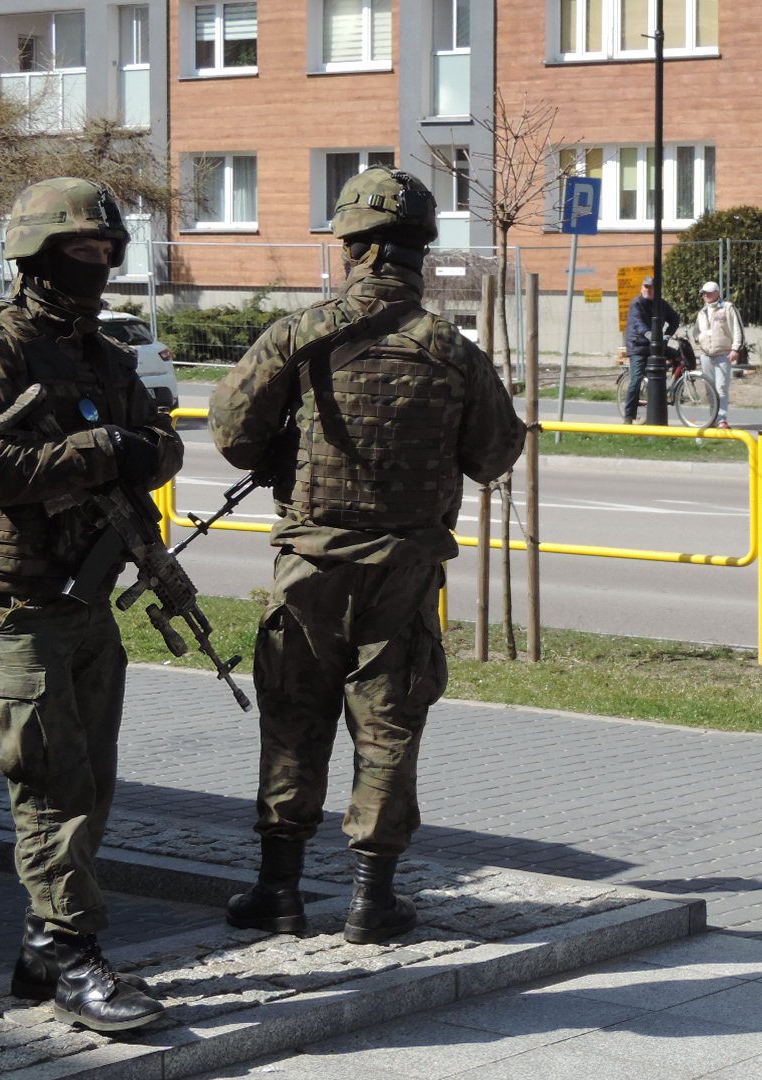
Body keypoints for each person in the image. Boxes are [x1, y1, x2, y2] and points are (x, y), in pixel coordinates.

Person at [209, 166, 526, 946]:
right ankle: (370, 901)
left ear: (349, 245)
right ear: (422, 248)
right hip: (403, 572)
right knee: (387, 726)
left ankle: (278, 893)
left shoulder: (298, 334)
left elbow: (232, 438)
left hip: (310, 566)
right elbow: (494, 456)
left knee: (292, 718)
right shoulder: (452, 349)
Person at [0, 177, 180, 1033]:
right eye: (81, 250)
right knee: (51, 787)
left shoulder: (104, 355)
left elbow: (161, 441)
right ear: (37, 255)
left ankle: (44, 948)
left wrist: (132, 460)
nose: (99, 263)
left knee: (95, 783)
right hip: (15, 599)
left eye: (108, 250)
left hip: (88, 595)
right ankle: (76, 957)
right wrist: (102, 447)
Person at [623, 275, 680, 423]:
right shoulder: (636, 304)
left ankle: (671, 388)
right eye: (646, 287)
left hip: (655, 344)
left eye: (651, 287)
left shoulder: (660, 304)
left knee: (679, 357)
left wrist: (667, 336)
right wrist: (649, 335)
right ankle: (629, 417)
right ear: (642, 288)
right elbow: (637, 323)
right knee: (636, 379)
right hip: (638, 345)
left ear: (656, 289)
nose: (648, 290)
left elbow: (675, 318)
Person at [693, 280, 745, 430]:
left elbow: (737, 329)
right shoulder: (702, 312)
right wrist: (700, 340)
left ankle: (721, 419)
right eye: (704, 293)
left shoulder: (728, 308)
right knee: (710, 388)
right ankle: (713, 418)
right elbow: (696, 331)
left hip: (723, 354)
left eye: (709, 292)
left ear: (717, 293)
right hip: (706, 355)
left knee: (721, 387)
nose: (706, 295)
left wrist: (735, 349)